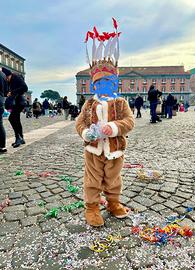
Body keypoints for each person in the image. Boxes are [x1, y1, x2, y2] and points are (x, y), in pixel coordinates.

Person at [76, 18, 135, 227]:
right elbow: (80, 122)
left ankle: (113, 202)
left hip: (115, 149)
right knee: (92, 181)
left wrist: (114, 128)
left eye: (108, 82)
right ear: (94, 84)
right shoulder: (89, 103)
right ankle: (92, 207)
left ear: (115, 83)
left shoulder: (121, 102)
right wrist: (85, 133)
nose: (103, 86)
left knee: (113, 179)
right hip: (93, 150)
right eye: (99, 82)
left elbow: (129, 122)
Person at [2, 67, 28, 148]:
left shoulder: (16, 77)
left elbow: (25, 88)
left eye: (6, 77)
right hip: (16, 103)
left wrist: (12, 92)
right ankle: (21, 137)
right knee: (16, 119)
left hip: (20, 102)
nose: (6, 79)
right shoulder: (10, 81)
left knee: (12, 118)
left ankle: (18, 138)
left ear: (9, 75)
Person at [0, 70, 8, 153]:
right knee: (0, 124)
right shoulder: (3, 75)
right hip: (1, 101)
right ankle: (2, 146)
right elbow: (6, 91)